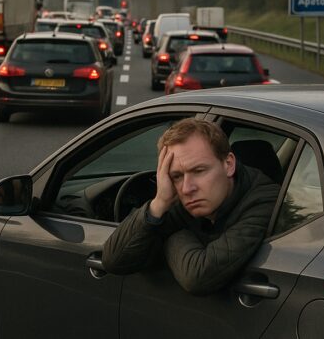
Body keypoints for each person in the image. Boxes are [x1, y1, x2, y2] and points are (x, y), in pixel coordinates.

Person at [102, 117, 280, 295]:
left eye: (199, 171)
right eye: (177, 176)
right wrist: (159, 202)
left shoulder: (265, 200)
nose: (187, 188)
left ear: (229, 164)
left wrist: (170, 237)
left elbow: (198, 276)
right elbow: (113, 261)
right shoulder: (179, 198)